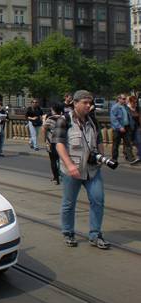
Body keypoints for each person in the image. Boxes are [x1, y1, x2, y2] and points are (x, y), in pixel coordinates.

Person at [53, 90, 109, 249]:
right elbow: (59, 144)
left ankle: (95, 234)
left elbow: (98, 141)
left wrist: (101, 156)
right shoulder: (65, 120)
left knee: (98, 200)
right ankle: (68, 232)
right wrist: (69, 165)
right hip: (73, 170)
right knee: (69, 203)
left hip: (92, 169)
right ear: (75, 103)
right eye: (85, 102)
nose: (88, 106)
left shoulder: (93, 121)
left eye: (89, 103)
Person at [110, 94, 135, 163]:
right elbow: (113, 119)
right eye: (123, 99)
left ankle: (130, 158)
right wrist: (119, 127)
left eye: (125, 99)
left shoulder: (126, 107)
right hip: (118, 129)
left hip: (126, 127)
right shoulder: (115, 107)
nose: (125, 100)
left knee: (128, 143)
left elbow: (129, 117)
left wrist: (131, 126)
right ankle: (114, 159)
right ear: (119, 99)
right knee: (116, 144)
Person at [43, 103, 63, 185]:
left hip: (52, 142)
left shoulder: (50, 119)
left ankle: (56, 178)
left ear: (53, 110)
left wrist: (44, 119)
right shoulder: (64, 118)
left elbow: (44, 128)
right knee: (62, 160)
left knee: (53, 160)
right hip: (62, 142)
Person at [127, 95, 141, 165]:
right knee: (128, 143)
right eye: (133, 102)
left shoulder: (137, 108)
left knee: (139, 141)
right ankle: (130, 158)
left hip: (137, 128)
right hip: (129, 128)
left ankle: (139, 157)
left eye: (136, 102)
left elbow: (139, 118)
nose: (135, 104)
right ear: (130, 102)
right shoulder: (127, 109)